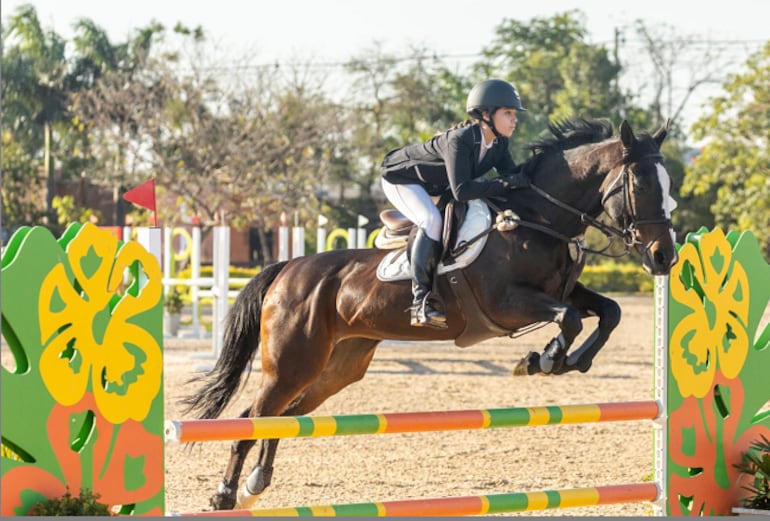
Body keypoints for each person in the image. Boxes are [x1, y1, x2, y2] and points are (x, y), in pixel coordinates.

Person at [380, 78, 530, 329]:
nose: (514, 119)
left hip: (436, 186)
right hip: (401, 179)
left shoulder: (499, 143)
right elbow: (462, 191)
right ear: (485, 114)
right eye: (508, 113)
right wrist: (507, 183)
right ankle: (420, 302)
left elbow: (510, 178)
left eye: (514, 113)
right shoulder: (460, 140)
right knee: (431, 221)